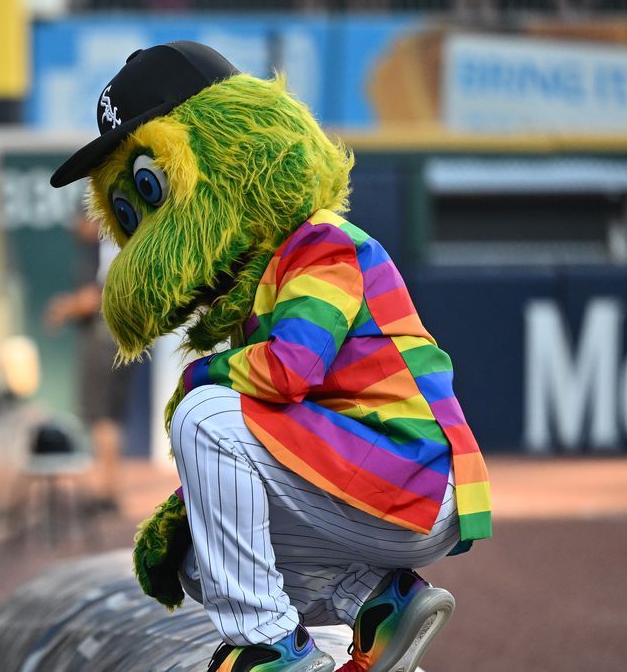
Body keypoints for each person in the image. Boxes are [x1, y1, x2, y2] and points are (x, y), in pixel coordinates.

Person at [49, 41, 492, 672]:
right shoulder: (261, 282)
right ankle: (379, 602)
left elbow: (290, 371)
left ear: (231, 141)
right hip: (368, 481)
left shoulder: (321, 245)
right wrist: (187, 508)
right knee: (201, 560)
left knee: (204, 412)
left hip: (412, 473)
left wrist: (199, 377)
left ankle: (273, 650)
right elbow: (273, 439)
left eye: (151, 188)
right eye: (128, 212)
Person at [44, 207, 133, 511]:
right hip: (116, 341)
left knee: (102, 417)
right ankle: (108, 488)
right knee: (108, 418)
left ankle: (104, 490)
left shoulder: (106, 246)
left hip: (104, 340)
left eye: (81, 221)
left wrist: (63, 308)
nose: (76, 228)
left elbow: (95, 297)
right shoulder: (114, 244)